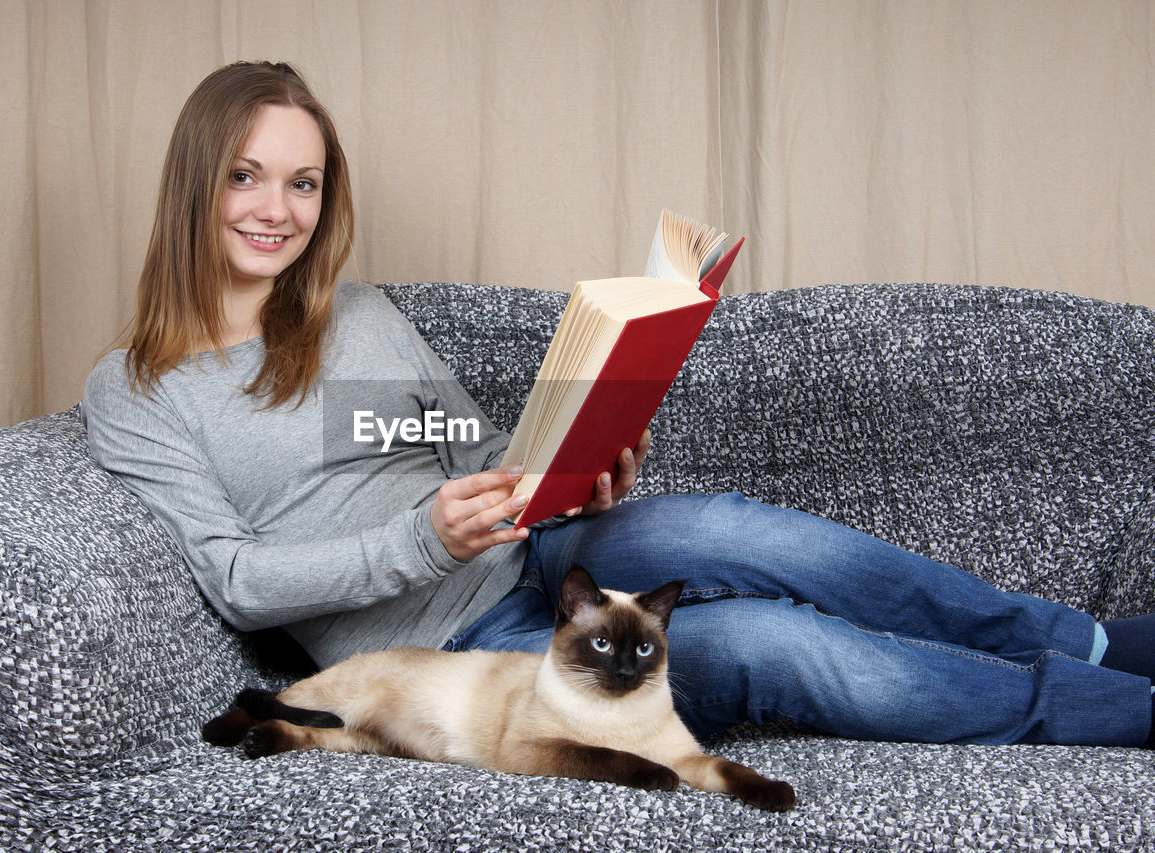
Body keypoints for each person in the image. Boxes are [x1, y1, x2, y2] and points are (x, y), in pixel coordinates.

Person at [81, 61, 1154, 747]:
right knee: (770, 646)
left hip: (536, 555)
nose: (278, 210)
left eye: (304, 183)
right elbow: (234, 579)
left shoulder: (352, 318)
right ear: (197, 182)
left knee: (723, 526)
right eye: (247, 177)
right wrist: (419, 538)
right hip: (464, 651)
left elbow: (456, 445)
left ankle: (1094, 643)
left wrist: (567, 465)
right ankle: (1123, 711)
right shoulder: (140, 387)